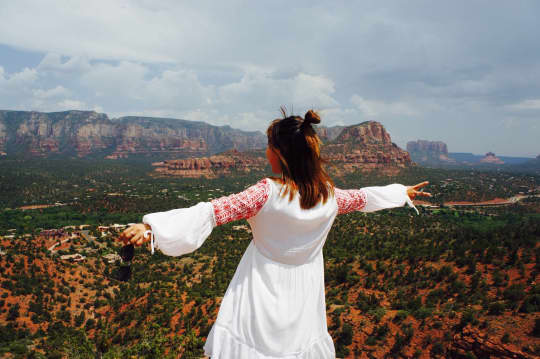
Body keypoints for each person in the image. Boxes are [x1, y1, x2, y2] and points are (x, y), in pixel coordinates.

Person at [119, 109, 432, 358]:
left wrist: (152, 228)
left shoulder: (264, 193)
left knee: (252, 346)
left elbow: (215, 211)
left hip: (260, 285)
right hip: (305, 292)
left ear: (279, 155)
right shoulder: (330, 195)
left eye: (269, 146)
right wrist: (401, 192)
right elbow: (363, 198)